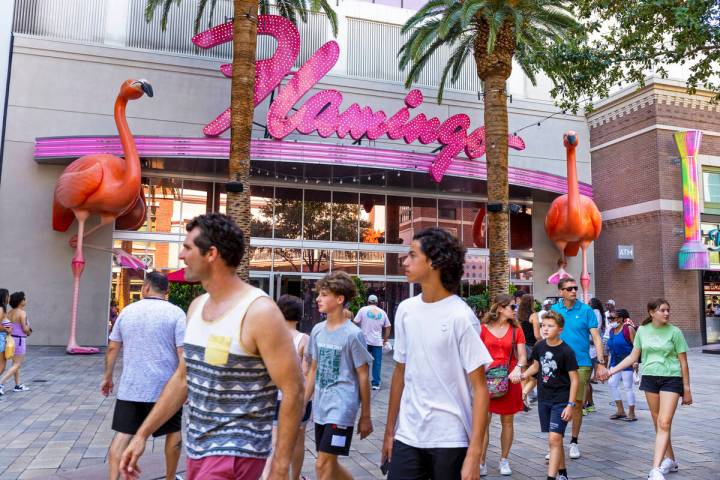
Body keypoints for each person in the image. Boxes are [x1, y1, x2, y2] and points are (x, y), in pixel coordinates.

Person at [120, 213, 304, 480]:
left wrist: (278, 467)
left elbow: (294, 390)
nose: (182, 256)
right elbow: (183, 378)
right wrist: (142, 434)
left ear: (211, 254)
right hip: (198, 451)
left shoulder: (259, 312)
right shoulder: (196, 308)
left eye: (187, 248)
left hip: (236, 454)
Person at [382, 227, 493, 480]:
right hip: (408, 435)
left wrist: (474, 455)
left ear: (432, 262)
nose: (405, 262)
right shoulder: (406, 310)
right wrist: (390, 433)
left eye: (412, 255)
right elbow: (400, 372)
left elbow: (480, 388)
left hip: (450, 438)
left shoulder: (460, 316)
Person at [101, 272, 186, 480]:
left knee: (122, 436)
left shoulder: (127, 312)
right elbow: (183, 354)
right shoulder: (176, 314)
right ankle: (170, 477)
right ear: (167, 291)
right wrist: (185, 385)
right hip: (166, 389)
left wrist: (108, 377)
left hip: (131, 387)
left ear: (145, 288)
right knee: (173, 433)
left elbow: (113, 348)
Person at [600, 299, 692, 480]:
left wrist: (686, 389)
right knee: (659, 423)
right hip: (650, 378)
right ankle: (671, 460)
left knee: (664, 422)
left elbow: (683, 362)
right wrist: (611, 371)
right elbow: (633, 356)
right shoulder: (642, 331)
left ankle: (655, 469)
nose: (666, 313)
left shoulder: (675, 332)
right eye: (662, 310)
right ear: (651, 312)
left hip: (671, 379)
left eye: (668, 310)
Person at [305, 271, 373, 480]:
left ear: (339, 299)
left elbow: (363, 375)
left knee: (322, 465)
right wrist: (302, 402)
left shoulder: (353, 334)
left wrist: (366, 416)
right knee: (328, 465)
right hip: (321, 408)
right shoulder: (317, 330)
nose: (318, 299)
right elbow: (313, 370)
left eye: (324, 294)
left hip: (342, 409)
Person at [550, 278, 606, 460]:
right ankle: (555, 442)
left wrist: (601, 362)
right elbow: (547, 333)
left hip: (581, 362)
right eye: (569, 289)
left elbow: (596, 338)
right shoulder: (554, 311)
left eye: (575, 288)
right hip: (557, 364)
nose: (574, 291)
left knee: (576, 403)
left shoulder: (586, 310)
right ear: (561, 292)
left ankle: (574, 442)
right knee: (556, 403)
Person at [521, 310, 578, 480]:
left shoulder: (566, 351)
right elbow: (536, 367)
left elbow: (574, 380)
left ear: (560, 329)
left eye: (550, 326)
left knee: (554, 438)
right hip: (544, 399)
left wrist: (570, 405)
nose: (545, 329)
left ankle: (551, 477)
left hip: (561, 400)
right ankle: (563, 473)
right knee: (555, 439)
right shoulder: (539, 346)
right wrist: (522, 375)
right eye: (543, 325)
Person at [262, 295, 311, 480]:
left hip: (275, 398)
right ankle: (295, 477)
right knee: (299, 441)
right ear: (300, 315)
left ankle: (269, 476)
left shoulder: (270, 337)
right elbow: (306, 373)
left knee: (274, 444)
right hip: (299, 398)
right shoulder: (304, 339)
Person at [479, 293, 527, 476]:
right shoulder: (482, 329)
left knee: (508, 421)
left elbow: (522, 355)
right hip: (487, 378)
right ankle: (481, 461)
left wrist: (519, 368)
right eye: (512, 307)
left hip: (510, 378)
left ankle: (504, 460)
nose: (515, 310)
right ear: (499, 308)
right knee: (484, 422)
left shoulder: (516, 330)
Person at [353, 294, 391, 390]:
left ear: (368, 302)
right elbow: (388, 326)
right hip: (377, 341)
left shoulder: (363, 310)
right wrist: (385, 339)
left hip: (364, 341)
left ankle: (362, 381)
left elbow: (355, 322)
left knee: (362, 362)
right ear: (377, 303)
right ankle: (375, 383)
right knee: (377, 363)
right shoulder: (382, 312)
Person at [605, 309, 637, 422]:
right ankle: (620, 410)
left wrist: (635, 361)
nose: (610, 320)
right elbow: (610, 349)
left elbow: (636, 346)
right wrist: (608, 365)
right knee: (612, 383)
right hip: (614, 361)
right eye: (609, 318)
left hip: (627, 361)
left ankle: (632, 413)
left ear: (621, 319)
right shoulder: (611, 331)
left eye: (612, 318)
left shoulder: (628, 329)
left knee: (628, 386)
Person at [0, 292, 31, 393]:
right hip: (20, 340)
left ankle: (17, 385)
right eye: (24, 298)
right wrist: (29, 330)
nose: (26, 300)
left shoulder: (10, 312)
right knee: (17, 364)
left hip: (10, 339)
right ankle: (1, 383)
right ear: (21, 301)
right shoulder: (22, 313)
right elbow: (25, 328)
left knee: (15, 363)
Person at [583, 298, 606, 415]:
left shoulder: (594, 312)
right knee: (586, 380)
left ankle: (582, 405)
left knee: (585, 381)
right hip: (591, 350)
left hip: (591, 350)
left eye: (589, 303)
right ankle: (590, 404)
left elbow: (594, 333)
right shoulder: (598, 312)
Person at [518, 293, 538, 406]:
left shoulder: (518, 316)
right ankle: (527, 395)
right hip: (532, 346)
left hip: (522, 346)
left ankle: (524, 397)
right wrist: (541, 341)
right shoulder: (533, 315)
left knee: (523, 373)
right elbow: (537, 334)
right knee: (535, 373)